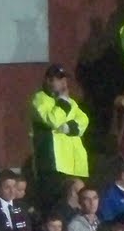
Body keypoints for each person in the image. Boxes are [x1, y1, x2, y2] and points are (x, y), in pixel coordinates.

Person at [29, 64, 90, 197]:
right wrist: (62, 101)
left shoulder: (70, 102)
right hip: (52, 164)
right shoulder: (40, 99)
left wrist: (67, 127)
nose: (64, 83)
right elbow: (53, 120)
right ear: (48, 81)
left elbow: (84, 121)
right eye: (59, 79)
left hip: (74, 163)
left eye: (64, 79)